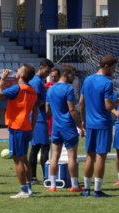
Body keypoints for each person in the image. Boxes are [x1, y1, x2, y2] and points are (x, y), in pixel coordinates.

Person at [79, 55, 119, 198]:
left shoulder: (87, 79)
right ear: (106, 66)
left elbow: (81, 102)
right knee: (100, 157)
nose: (114, 70)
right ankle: (97, 191)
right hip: (103, 124)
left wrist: (83, 120)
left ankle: (86, 189)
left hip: (91, 123)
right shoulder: (107, 83)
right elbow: (108, 106)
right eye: (113, 67)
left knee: (89, 157)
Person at [0, 64, 38, 198]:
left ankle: (23, 190)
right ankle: (29, 187)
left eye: (19, 69)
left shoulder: (17, 88)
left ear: (21, 75)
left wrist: (3, 79)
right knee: (24, 159)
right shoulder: (32, 90)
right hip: (26, 127)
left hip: (17, 127)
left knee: (18, 160)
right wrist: (32, 127)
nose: (16, 70)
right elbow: (35, 111)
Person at [45, 64, 85, 193]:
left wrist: (57, 115)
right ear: (65, 74)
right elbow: (72, 110)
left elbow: (47, 109)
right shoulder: (68, 89)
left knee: (54, 157)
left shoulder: (50, 89)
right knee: (72, 157)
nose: (74, 77)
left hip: (56, 127)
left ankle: (52, 185)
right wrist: (80, 126)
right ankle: (74, 186)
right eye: (72, 75)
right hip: (68, 127)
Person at [28, 59, 54, 185]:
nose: (47, 74)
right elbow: (37, 102)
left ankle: (33, 177)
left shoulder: (34, 80)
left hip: (35, 117)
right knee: (44, 147)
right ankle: (46, 177)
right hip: (39, 118)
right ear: (40, 67)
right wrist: (51, 105)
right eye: (46, 71)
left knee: (35, 147)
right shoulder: (37, 82)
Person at [44, 68, 60, 157]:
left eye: (55, 76)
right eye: (52, 76)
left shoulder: (63, 85)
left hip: (59, 115)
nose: (53, 78)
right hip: (50, 116)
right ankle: (47, 155)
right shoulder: (47, 86)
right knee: (49, 136)